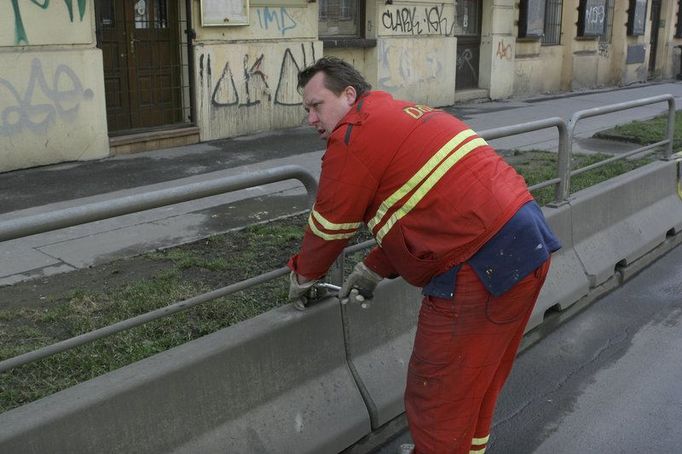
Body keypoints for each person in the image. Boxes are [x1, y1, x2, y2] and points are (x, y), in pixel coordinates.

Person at [287, 57, 561, 454]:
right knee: (478, 381)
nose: (311, 118)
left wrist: (302, 276)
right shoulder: (399, 112)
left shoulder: (353, 136)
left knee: (436, 392)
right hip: (526, 243)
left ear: (349, 95)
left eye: (317, 105)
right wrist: (374, 267)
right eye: (306, 110)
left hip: (479, 265)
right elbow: (424, 206)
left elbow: (330, 227)